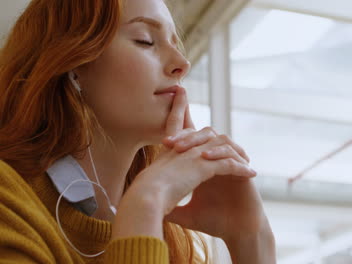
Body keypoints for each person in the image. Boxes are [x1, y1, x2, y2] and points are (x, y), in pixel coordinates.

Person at [0, 0, 276, 263]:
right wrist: (145, 203)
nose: (182, 62)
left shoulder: (171, 237)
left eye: (174, 42)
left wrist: (252, 238)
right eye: (145, 40)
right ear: (73, 65)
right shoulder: (8, 204)